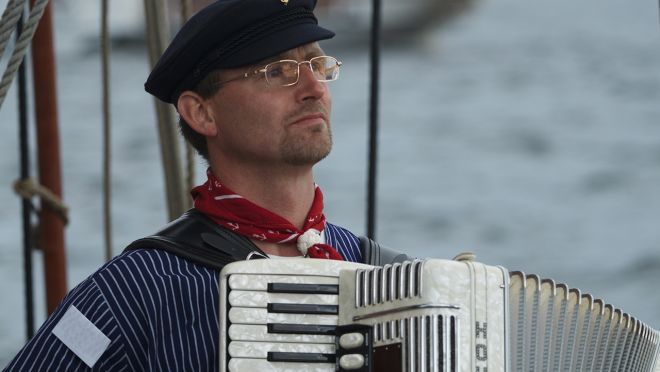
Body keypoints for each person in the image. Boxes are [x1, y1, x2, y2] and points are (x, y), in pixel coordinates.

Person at [4, 0, 373, 370]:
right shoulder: (126, 296)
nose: (314, 88)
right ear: (202, 112)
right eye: (277, 72)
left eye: (319, 66)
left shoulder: (376, 272)